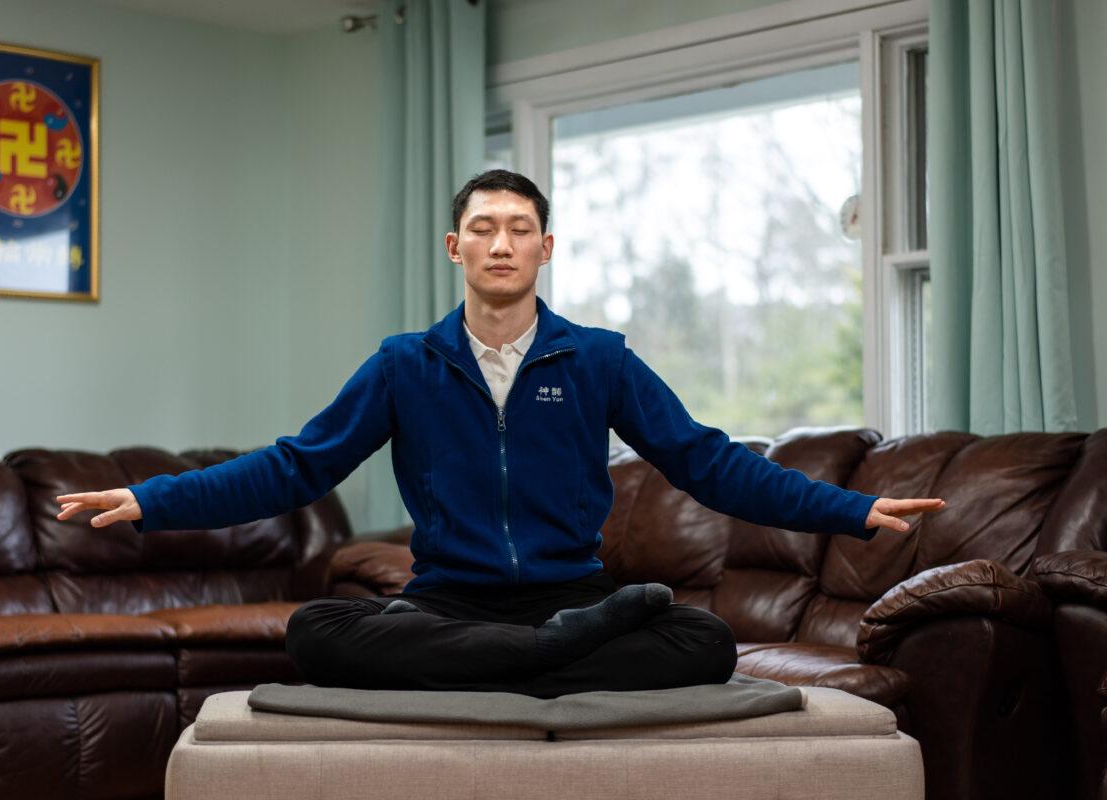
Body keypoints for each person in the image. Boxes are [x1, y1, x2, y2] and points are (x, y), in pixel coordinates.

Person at [55, 169, 945, 698]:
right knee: (317, 630)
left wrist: (852, 508)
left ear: (545, 249)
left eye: (521, 229)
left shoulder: (599, 361)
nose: (502, 244)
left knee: (705, 642)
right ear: (455, 248)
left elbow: (708, 461)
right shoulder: (405, 365)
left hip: (576, 599)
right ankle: (536, 661)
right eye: (484, 228)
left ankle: (524, 656)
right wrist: (150, 498)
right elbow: (298, 466)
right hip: (451, 602)